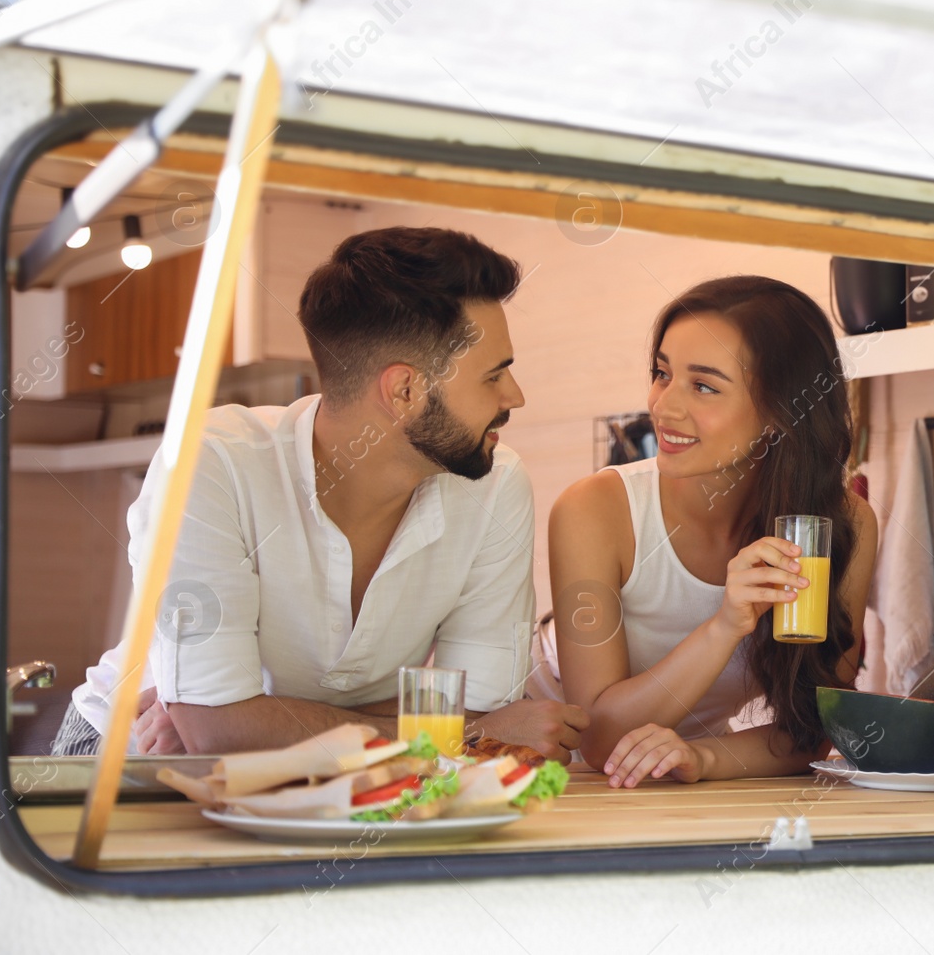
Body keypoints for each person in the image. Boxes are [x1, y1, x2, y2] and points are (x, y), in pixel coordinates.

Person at [53, 227, 588, 761]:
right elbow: (217, 738)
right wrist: (230, 721)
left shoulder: (494, 484)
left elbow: (482, 709)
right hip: (130, 752)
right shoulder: (210, 463)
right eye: (493, 377)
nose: (514, 396)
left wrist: (254, 717)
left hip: (348, 768)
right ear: (404, 391)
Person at [540, 275, 877, 787]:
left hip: (669, 776)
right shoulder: (596, 510)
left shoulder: (840, 525)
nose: (663, 406)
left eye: (703, 386)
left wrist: (704, 759)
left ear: (779, 412)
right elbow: (599, 738)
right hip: (551, 772)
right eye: (661, 373)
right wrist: (723, 627)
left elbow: (815, 725)